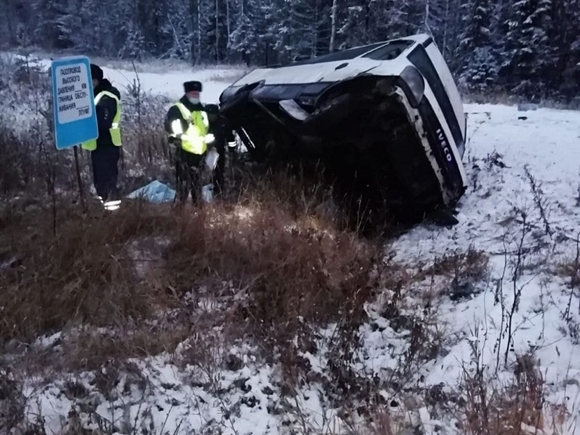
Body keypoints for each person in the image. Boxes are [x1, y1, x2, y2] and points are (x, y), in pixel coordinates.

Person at [164, 81, 215, 204]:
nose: (196, 95)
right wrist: (185, 123)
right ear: (187, 93)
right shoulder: (177, 109)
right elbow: (171, 129)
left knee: (197, 187)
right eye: (193, 93)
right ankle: (179, 215)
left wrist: (211, 147)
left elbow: (207, 130)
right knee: (183, 187)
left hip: (200, 153)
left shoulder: (202, 110)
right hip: (183, 153)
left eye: (197, 93)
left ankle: (198, 214)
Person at [81, 64, 122, 210]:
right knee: (100, 183)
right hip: (99, 146)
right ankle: (104, 212)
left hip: (107, 145)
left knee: (107, 184)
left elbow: (102, 121)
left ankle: (113, 218)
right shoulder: (96, 96)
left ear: (95, 80)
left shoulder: (107, 97)